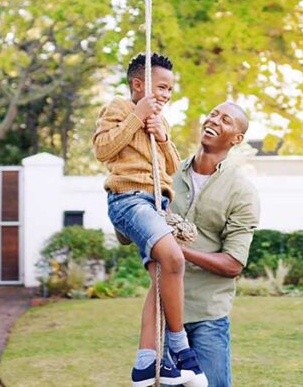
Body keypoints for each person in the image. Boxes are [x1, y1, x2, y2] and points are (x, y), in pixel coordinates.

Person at [93, 53, 207, 387]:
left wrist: (162, 136)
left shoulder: (161, 121)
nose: (166, 94)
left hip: (158, 205)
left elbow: (172, 167)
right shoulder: (119, 107)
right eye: (161, 87)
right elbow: (103, 150)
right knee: (174, 259)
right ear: (138, 84)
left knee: (161, 282)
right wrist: (137, 117)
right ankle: (181, 349)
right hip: (129, 199)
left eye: (170, 89)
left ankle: (146, 363)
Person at [169, 102, 261, 387]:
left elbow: (233, 264)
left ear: (237, 139)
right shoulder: (168, 174)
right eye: (212, 114)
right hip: (164, 312)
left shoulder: (242, 191)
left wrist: (176, 251)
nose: (214, 120)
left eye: (225, 120)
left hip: (207, 315)